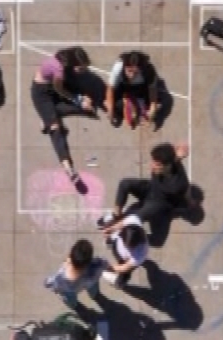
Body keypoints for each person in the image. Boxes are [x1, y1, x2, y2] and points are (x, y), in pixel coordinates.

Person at [32, 46, 99, 193]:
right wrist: (79, 100)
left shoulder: (65, 58)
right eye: (81, 67)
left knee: (85, 105)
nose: (84, 70)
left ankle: (47, 117)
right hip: (42, 93)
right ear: (74, 63)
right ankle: (68, 166)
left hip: (52, 88)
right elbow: (60, 90)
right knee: (56, 130)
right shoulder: (60, 71)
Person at [97, 142, 192, 229]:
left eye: (157, 164)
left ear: (167, 165)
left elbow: (185, 190)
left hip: (160, 203)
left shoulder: (176, 185)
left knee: (138, 215)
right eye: (153, 161)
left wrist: (190, 201)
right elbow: (174, 160)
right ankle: (116, 215)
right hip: (151, 189)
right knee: (125, 183)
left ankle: (118, 228)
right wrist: (178, 156)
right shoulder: (168, 162)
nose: (152, 166)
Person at [105, 51, 171, 130]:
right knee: (113, 103)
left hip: (141, 87)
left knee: (161, 101)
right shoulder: (118, 67)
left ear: (141, 68)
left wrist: (151, 114)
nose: (132, 75)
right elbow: (110, 89)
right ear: (124, 66)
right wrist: (110, 111)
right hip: (123, 86)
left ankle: (139, 108)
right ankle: (123, 108)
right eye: (129, 71)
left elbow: (153, 95)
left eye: (135, 72)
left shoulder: (149, 70)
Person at [43, 239, 108, 307]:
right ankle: (94, 295)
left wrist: (47, 282)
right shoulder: (97, 264)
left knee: (70, 299)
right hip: (91, 283)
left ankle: (74, 305)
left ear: (71, 255)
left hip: (70, 291)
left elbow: (50, 284)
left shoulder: (60, 278)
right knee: (94, 290)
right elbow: (106, 264)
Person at [102, 216, 150, 286]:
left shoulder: (140, 254)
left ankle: (120, 282)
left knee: (123, 276)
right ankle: (111, 242)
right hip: (117, 245)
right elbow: (120, 224)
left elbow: (124, 268)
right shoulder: (133, 220)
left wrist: (108, 267)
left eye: (128, 247)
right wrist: (109, 230)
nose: (126, 246)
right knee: (114, 239)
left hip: (125, 259)